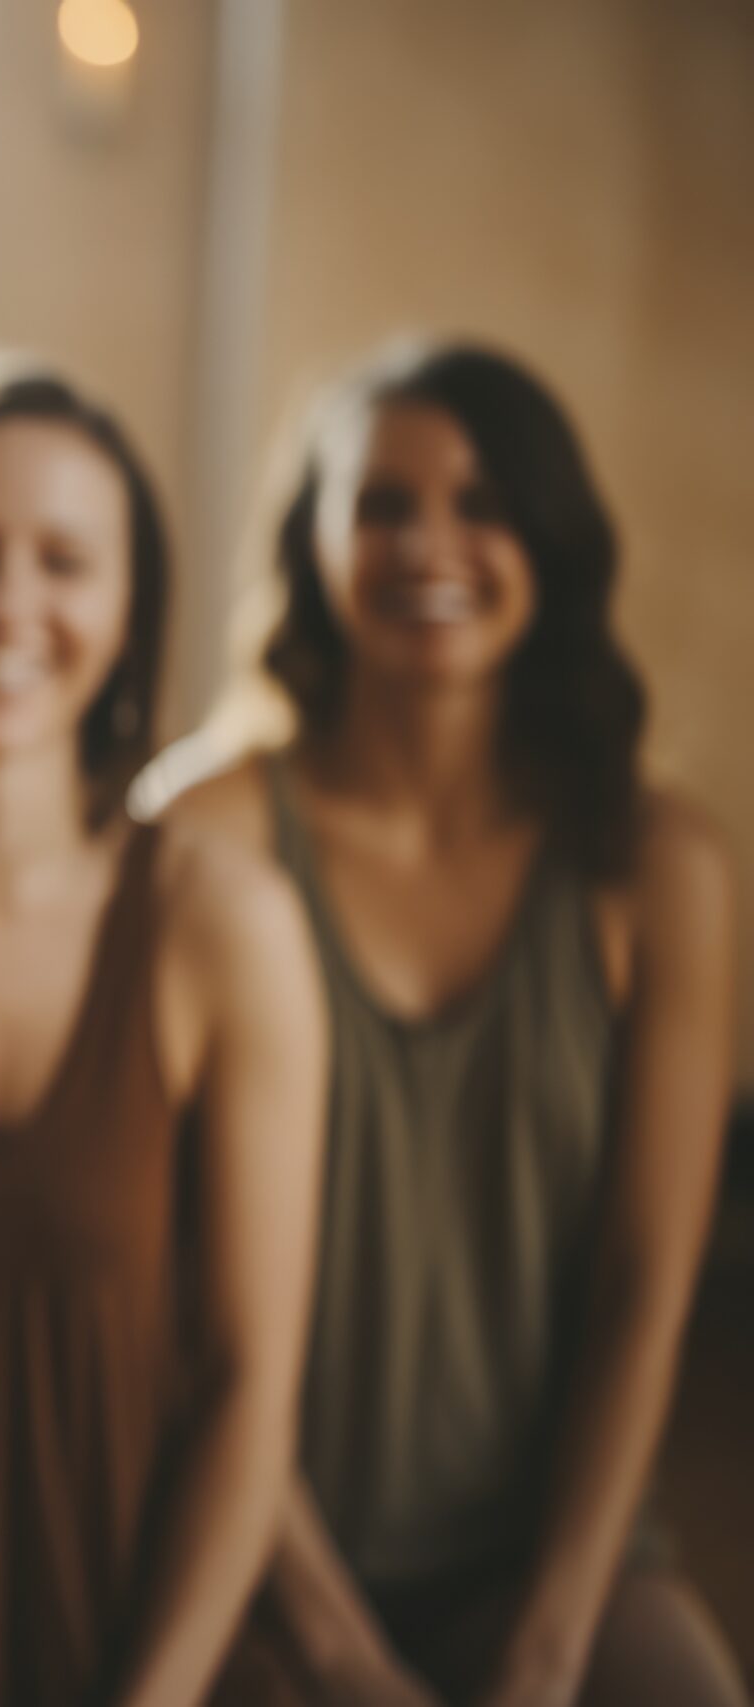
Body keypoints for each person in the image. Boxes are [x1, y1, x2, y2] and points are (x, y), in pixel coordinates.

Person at [162, 340, 746, 1705]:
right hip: (247, 1533)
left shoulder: (662, 863)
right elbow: (173, 1283)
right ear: (313, 539)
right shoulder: (205, 831)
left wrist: (546, 1646)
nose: (433, 542)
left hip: (552, 1549)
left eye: (483, 502)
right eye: (381, 505)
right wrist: (336, 1645)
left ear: (552, 540)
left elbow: (648, 1281)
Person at [0, 364, 326, 1705]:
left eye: (64, 560)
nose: (8, 604)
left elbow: (248, 1390)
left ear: (129, 609)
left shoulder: (222, 921)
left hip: (152, 1648)